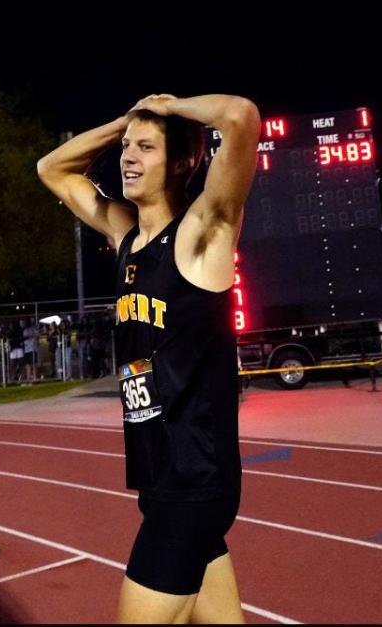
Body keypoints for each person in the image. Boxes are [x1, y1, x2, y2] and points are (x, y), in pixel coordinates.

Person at [38, 93, 259, 623]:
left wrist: (175, 106)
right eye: (126, 148)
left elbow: (242, 117)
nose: (128, 157)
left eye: (146, 148)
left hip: (195, 480)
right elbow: (52, 168)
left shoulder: (204, 232)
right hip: (158, 476)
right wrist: (123, 123)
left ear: (183, 161)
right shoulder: (125, 235)